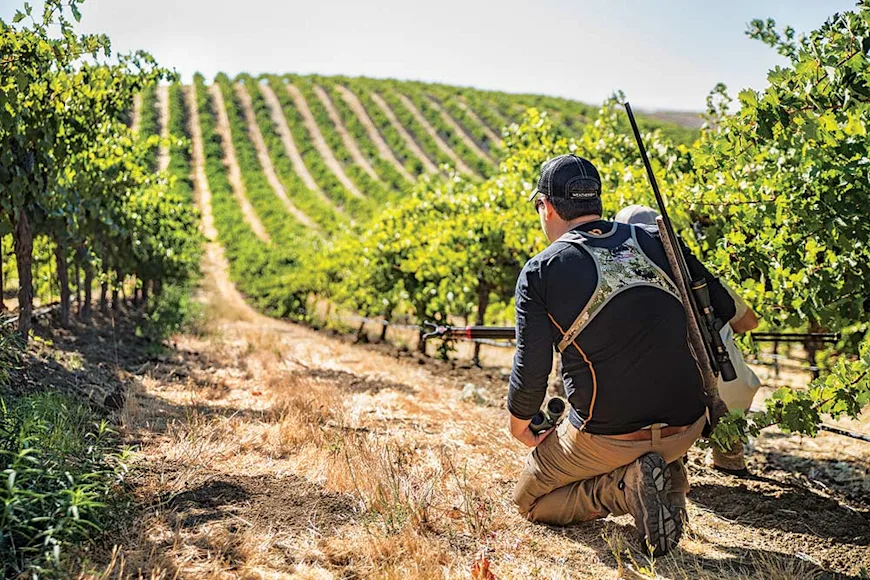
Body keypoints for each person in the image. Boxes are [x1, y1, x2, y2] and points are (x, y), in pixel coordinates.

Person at [509, 154, 738, 556]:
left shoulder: (541, 270)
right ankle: (666, 474)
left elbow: (532, 371)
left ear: (545, 206)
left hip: (606, 437)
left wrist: (520, 424)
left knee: (528, 501)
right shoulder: (659, 241)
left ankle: (622, 489)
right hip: (686, 428)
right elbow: (724, 307)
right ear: (597, 199)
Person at [614, 204, 761, 474]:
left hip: (663, 411)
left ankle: (671, 459)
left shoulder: (620, 287)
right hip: (732, 392)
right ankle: (729, 456)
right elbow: (749, 323)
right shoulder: (704, 280)